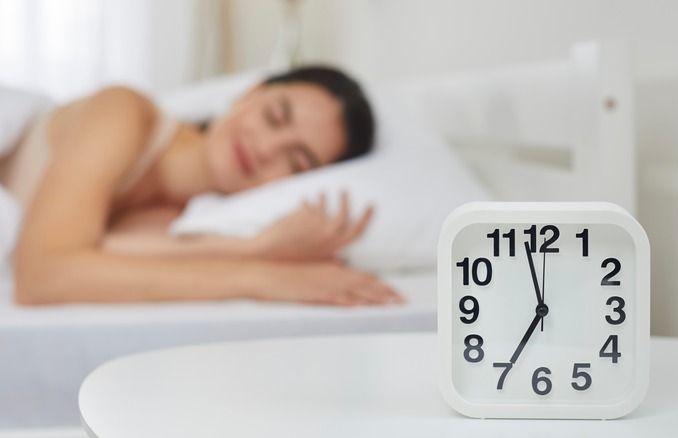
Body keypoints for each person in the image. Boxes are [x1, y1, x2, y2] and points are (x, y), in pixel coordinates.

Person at [0, 66, 403, 306]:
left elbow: (94, 258)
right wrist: (262, 276)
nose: (264, 149)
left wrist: (253, 247)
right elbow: (42, 273)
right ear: (249, 94)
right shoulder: (123, 112)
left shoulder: (186, 218)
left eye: (296, 161)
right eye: (273, 117)